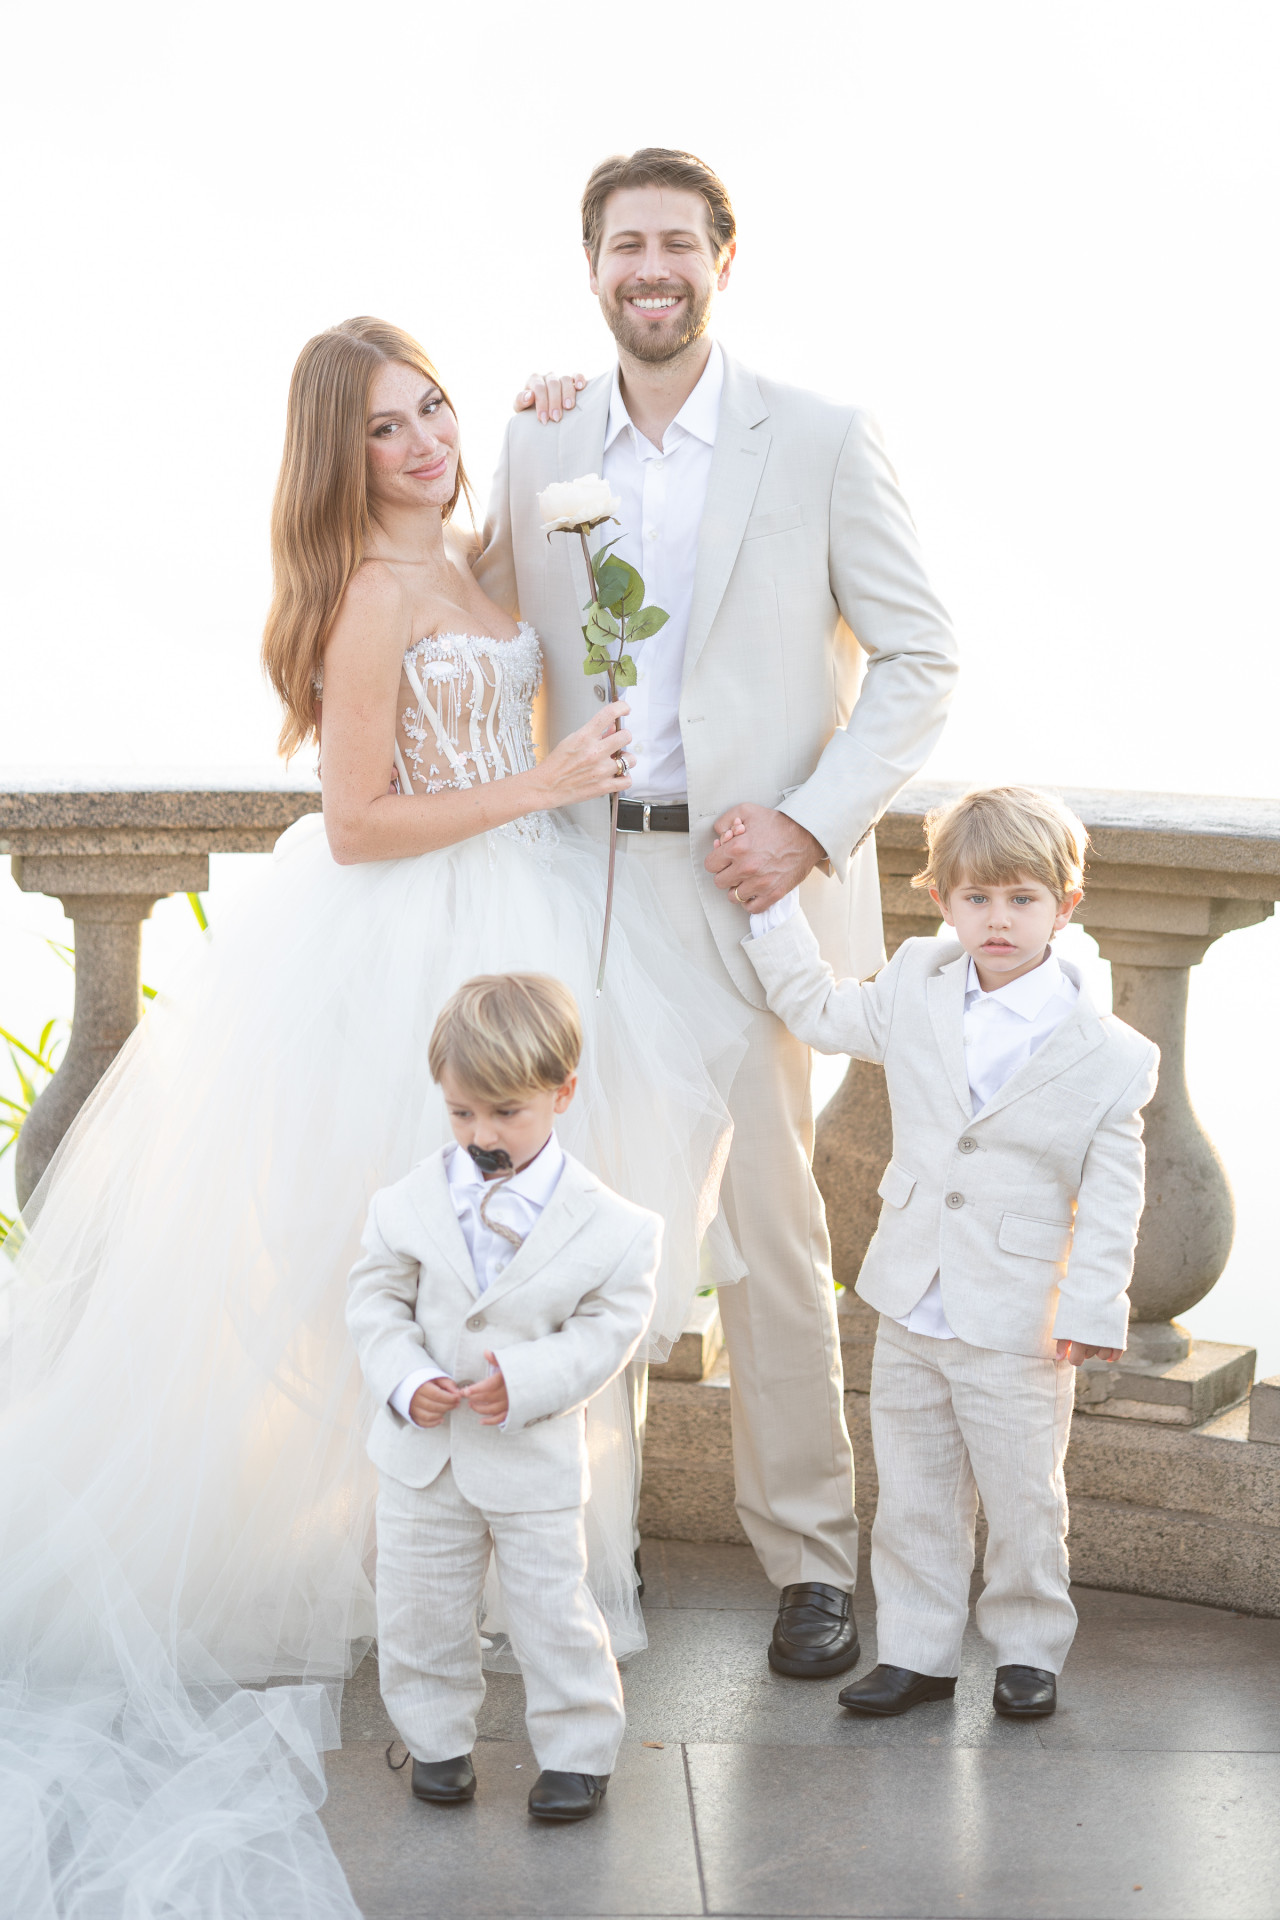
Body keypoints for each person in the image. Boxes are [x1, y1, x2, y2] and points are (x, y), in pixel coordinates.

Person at [0, 318, 746, 1913]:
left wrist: (554, 412)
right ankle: (409, 1582)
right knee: (403, 1265)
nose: (423, 445)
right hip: (411, 943)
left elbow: (547, 513)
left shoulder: (474, 556)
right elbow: (350, 822)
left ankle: (544, 1568)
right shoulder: (365, 598)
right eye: (385, 432)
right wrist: (546, 786)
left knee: (545, 1252)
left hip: (530, 930)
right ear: (337, 462)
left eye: (433, 411)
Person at [479, 147, 960, 1676]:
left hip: (752, 898)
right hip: (586, 889)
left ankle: (814, 1562)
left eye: (679, 243)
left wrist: (813, 831)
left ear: (724, 261)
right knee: (577, 1229)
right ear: (595, 266)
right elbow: (484, 623)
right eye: (627, 245)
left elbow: (925, 659)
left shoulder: (818, 437)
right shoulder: (538, 435)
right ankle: (580, 1557)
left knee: (770, 1232)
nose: (652, 269)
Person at [734, 787, 1159, 1717]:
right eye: (976, 899)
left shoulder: (1108, 1051)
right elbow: (817, 1010)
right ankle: (919, 1653)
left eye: (1021, 899)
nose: (997, 919)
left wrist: (1092, 1307)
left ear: (1065, 904)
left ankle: (1028, 1651)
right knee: (915, 1492)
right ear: (942, 901)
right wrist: (769, 907)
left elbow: (1115, 1197)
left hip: (1021, 1318)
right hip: (912, 1292)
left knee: (1023, 1501)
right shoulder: (918, 986)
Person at [347, 972, 661, 1823]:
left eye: (506, 1113)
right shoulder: (406, 1202)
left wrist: (525, 1381)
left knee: (553, 1613)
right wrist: (407, 1379)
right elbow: (373, 1299)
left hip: (531, 1456)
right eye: (461, 1114)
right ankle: (435, 1740)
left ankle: (578, 1751)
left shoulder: (616, 1227)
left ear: (561, 1094)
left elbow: (608, 1331)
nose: (481, 1135)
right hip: (424, 1456)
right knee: (418, 1609)